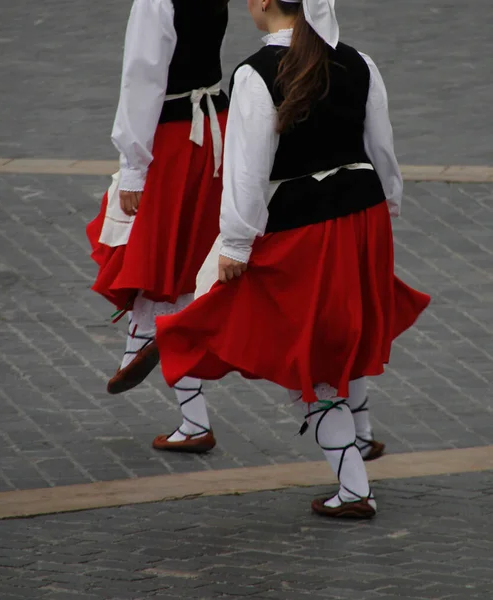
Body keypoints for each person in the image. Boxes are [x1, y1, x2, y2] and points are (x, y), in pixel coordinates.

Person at [143, 0, 431, 517]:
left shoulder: (256, 73)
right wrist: (387, 204)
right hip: (365, 220)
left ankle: (353, 488)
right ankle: (359, 437)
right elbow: (382, 149)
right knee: (343, 326)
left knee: (312, 349)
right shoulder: (359, 61)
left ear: (264, 2)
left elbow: (248, 169)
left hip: (308, 229)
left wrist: (234, 243)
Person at [86, 0, 230, 454]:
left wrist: (133, 167)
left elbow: (142, 77)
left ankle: (144, 338)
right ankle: (189, 416)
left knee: (149, 251)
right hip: (212, 132)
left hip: (173, 137)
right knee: (178, 260)